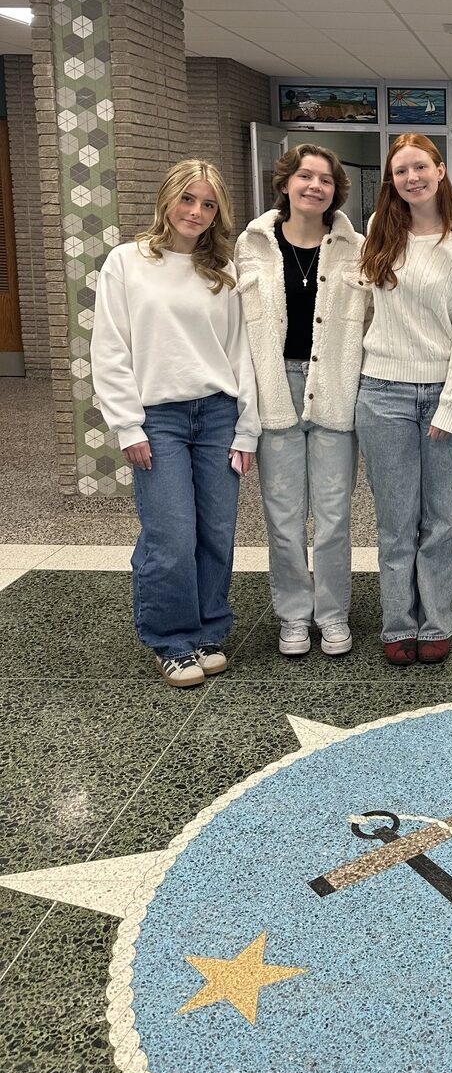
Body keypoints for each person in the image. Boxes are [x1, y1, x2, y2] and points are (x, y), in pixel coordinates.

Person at [91, 160, 259, 688]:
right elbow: (110, 347)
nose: (197, 212)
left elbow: (242, 353)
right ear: (167, 200)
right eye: (188, 199)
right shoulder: (127, 262)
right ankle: (171, 639)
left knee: (216, 532)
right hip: (157, 418)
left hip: (217, 414)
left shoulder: (224, 270)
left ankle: (209, 630)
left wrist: (247, 428)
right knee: (170, 533)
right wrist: (127, 425)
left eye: (208, 204)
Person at [357, 134, 452, 665]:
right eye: (400, 171)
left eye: (420, 167)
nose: (411, 178)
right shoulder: (377, 232)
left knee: (440, 521)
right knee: (394, 522)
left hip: (444, 392)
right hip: (381, 394)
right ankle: (397, 623)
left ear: (439, 171)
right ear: (391, 181)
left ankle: (436, 621)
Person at [235, 144, 367, 658]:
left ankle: (332, 614)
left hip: (336, 386)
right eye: (305, 176)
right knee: (284, 516)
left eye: (326, 180)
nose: (315, 186)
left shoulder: (355, 247)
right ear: (285, 182)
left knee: (333, 516)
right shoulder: (252, 246)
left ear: (337, 190)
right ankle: (293, 614)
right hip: (276, 388)